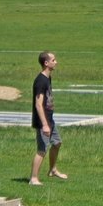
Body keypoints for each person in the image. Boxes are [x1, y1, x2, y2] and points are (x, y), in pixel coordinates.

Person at [29, 51, 67, 185]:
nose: (56, 62)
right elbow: (38, 104)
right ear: (46, 63)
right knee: (42, 149)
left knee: (57, 143)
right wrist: (44, 125)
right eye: (54, 60)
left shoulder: (47, 78)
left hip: (50, 119)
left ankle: (52, 170)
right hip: (43, 121)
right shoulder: (40, 81)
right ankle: (33, 178)